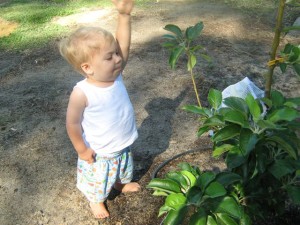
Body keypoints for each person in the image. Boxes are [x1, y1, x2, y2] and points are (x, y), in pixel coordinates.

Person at [59, 0, 140, 219]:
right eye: (110, 56)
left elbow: (123, 43)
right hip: (100, 152)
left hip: (121, 143)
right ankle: (96, 200)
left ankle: (119, 184)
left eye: (115, 53)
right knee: (98, 180)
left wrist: (124, 15)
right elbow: (72, 123)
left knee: (122, 168)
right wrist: (81, 149)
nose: (118, 58)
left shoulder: (116, 76)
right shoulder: (82, 93)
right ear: (88, 68)